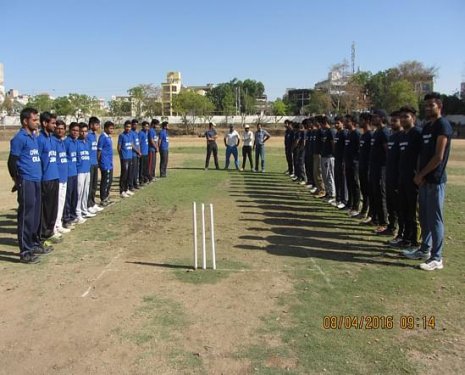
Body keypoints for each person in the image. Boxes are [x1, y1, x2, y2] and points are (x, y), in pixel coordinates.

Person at [409, 93, 453, 271]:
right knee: (424, 216)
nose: (427, 108)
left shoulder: (443, 125)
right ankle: (424, 250)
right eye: (426, 105)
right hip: (424, 179)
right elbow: (422, 154)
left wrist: (422, 174)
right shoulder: (427, 127)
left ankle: (437, 257)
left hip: (435, 180)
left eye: (431, 105)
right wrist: (419, 174)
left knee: (435, 219)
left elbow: (438, 156)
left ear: (439, 106)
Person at [8, 107, 48, 263]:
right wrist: (16, 180)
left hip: (37, 180)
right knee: (26, 216)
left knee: (36, 215)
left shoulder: (33, 137)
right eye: (34, 120)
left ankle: (34, 244)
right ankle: (25, 251)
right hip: (26, 180)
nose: (37, 122)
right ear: (25, 121)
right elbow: (12, 161)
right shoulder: (19, 138)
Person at [393, 105, 422, 249]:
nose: (403, 119)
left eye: (406, 116)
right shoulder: (402, 135)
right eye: (402, 117)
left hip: (413, 179)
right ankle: (405, 238)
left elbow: (421, 156)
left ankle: (416, 242)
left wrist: (418, 175)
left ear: (413, 118)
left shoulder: (417, 133)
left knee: (413, 212)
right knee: (403, 210)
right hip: (402, 178)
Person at [37, 111, 61, 245]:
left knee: (53, 207)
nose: (55, 125)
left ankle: (50, 232)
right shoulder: (39, 139)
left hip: (55, 176)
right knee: (45, 209)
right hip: (45, 179)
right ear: (44, 123)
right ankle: (42, 235)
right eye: (52, 123)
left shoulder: (52, 139)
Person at [382, 111, 403, 236]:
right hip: (389, 174)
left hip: (398, 176)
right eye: (392, 120)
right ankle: (391, 227)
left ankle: (401, 232)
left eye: (395, 120)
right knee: (390, 203)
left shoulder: (402, 136)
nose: (392, 123)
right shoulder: (392, 136)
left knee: (399, 206)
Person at [369, 109, 390, 233]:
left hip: (381, 168)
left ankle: (384, 222)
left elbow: (387, 151)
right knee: (374, 193)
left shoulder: (385, 132)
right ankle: (375, 218)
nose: (373, 119)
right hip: (374, 167)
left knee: (381, 194)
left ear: (382, 118)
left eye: (375, 117)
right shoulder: (376, 132)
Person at [53, 120, 71, 234]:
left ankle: (59, 224)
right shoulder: (53, 142)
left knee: (61, 202)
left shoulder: (62, 142)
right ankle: (53, 226)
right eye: (58, 128)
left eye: (62, 128)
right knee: (56, 204)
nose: (60, 130)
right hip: (57, 178)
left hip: (64, 177)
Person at [356, 113, 374, 221]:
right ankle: (364, 211)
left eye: (361, 120)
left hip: (368, 168)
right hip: (361, 166)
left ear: (367, 121)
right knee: (364, 190)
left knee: (369, 192)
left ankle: (370, 214)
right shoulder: (363, 135)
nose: (359, 122)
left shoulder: (371, 135)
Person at [76, 122, 94, 223]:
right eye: (81, 131)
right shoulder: (76, 143)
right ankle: (78, 212)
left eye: (85, 131)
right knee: (79, 192)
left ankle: (84, 209)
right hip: (80, 171)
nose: (83, 133)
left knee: (85, 191)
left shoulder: (87, 143)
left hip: (87, 170)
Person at [343, 114, 361, 215]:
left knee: (355, 185)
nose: (345, 123)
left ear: (353, 123)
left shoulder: (357, 134)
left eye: (347, 121)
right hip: (348, 163)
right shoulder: (349, 134)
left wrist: (355, 161)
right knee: (349, 184)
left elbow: (359, 150)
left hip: (354, 165)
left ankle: (356, 207)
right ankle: (349, 204)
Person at [63, 122, 80, 228]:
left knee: (74, 196)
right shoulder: (66, 142)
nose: (75, 132)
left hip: (74, 172)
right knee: (67, 198)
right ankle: (66, 219)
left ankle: (73, 216)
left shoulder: (75, 142)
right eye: (74, 130)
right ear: (69, 130)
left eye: (77, 131)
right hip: (68, 174)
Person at [87, 116, 102, 213]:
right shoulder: (87, 135)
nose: (98, 126)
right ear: (91, 125)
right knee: (89, 185)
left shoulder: (94, 135)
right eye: (96, 124)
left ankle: (92, 202)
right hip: (89, 164)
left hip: (95, 163)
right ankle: (88, 205)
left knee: (94, 185)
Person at [98, 121, 114, 205]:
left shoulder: (108, 137)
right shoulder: (102, 137)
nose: (112, 130)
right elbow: (99, 150)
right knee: (105, 180)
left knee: (110, 180)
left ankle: (107, 196)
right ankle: (103, 198)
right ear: (105, 128)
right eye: (110, 128)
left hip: (109, 162)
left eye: (112, 128)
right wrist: (98, 161)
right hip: (104, 163)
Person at [320, 116, 336, 201]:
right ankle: (327, 192)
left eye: (321, 124)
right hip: (324, 156)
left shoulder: (331, 131)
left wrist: (333, 155)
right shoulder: (326, 132)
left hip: (329, 157)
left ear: (325, 123)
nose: (321, 126)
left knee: (329, 175)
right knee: (325, 175)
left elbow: (333, 144)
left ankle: (332, 194)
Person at [333, 116, 347, 208]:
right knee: (337, 179)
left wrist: (344, 160)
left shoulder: (344, 133)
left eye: (338, 123)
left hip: (342, 160)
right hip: (336, 159)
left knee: (342, 180)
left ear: (342, 123)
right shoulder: (337, 133)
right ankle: (337, 199)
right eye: (335, 123)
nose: (336, 125)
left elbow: (346, 149)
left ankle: (344, 200)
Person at [118, 120, 134, 197]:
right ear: (124, 127)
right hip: (124, 158)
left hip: (130, 157)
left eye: (129, 127)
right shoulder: (121, 135)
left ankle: (126, 189)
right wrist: (121, 156)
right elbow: (119, 147)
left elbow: (131, 145)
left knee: (129, 174)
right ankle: (122, 191)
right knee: (124, 174)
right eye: (127, 127)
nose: (128, 128)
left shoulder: (131, 135)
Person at [311, 117, 325, 197]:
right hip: (315, 154)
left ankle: (322, 190)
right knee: (315, 172)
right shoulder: (317, 131)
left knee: (319, 173)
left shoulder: (322, 132)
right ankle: (318, 188)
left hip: (319, 154)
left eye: (316, 122)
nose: (314, 123)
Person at [129, 119, 141, 190]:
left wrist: (139, 151)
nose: (135, 126)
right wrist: (137, 151)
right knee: (132, 171)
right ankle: (131, 185)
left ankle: (135, 184)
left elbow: (137, 143)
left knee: (136, 170)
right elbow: (132, 144)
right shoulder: (130, 133)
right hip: (132, 154)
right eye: (134, 124)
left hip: (136, 154)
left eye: (136, 124)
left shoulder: (136, 133)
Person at [304, 118, 315, 189]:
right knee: (308, 167)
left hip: (313, 153)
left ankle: (313, 183)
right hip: (308, 152)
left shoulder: (314, 132)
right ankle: (309, 181)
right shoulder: (308, 132)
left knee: (313, 169)